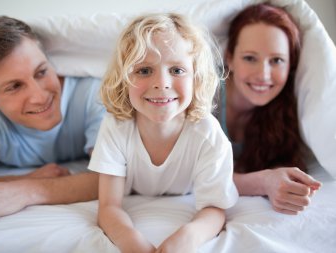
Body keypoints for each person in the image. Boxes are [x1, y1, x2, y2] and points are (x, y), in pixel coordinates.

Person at [88, 13, 238, 252]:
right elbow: (109, 207)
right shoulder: (116, 125)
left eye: (177, 70)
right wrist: (132, 242)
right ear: (124, 79)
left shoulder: (207, 133)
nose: (162, 83)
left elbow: (215, 209)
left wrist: (183, 240)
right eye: (144, 70)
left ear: (196, 78)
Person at [0, 16, 105, 225]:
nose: (40, 97)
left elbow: (112, 177)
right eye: (15, 86)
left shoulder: (92, 96)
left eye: (41, 72)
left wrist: (26, 191)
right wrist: (25, 178)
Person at [217, 3, 322, 215]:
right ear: (229, 58)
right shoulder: (203, 98)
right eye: (250, 58)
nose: (264, 75)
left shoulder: (286, 109)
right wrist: (264, 182)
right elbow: (190, 176)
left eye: (276, 60)